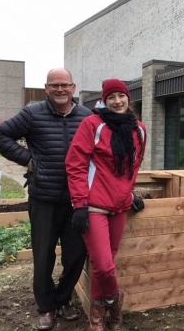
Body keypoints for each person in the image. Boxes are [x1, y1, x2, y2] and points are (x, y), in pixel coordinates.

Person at [0, 68, 93, 330]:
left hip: (76, 200)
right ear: (46, 88)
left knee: (76, 254)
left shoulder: (87, 117)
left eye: (65, 85)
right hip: (44, 198)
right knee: (43, 255)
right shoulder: (32, 113)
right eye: (54, 85)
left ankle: (62, 299)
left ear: (73, 87)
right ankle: (46, 307)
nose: (60, 89)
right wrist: (27, 160)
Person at [65, 78, 147, 331]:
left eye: (121, 96)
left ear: (128, 99)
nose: (117, 101)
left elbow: (133, 166)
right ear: (104, 100)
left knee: (107, 263)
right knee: (103, 264)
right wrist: (80, 204)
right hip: (94, 205)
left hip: (120, 206)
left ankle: (97, 317)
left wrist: (129, 194)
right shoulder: (93, 124)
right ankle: (115, 303)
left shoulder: (139, 129)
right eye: (111, 97)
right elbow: (75, 163)